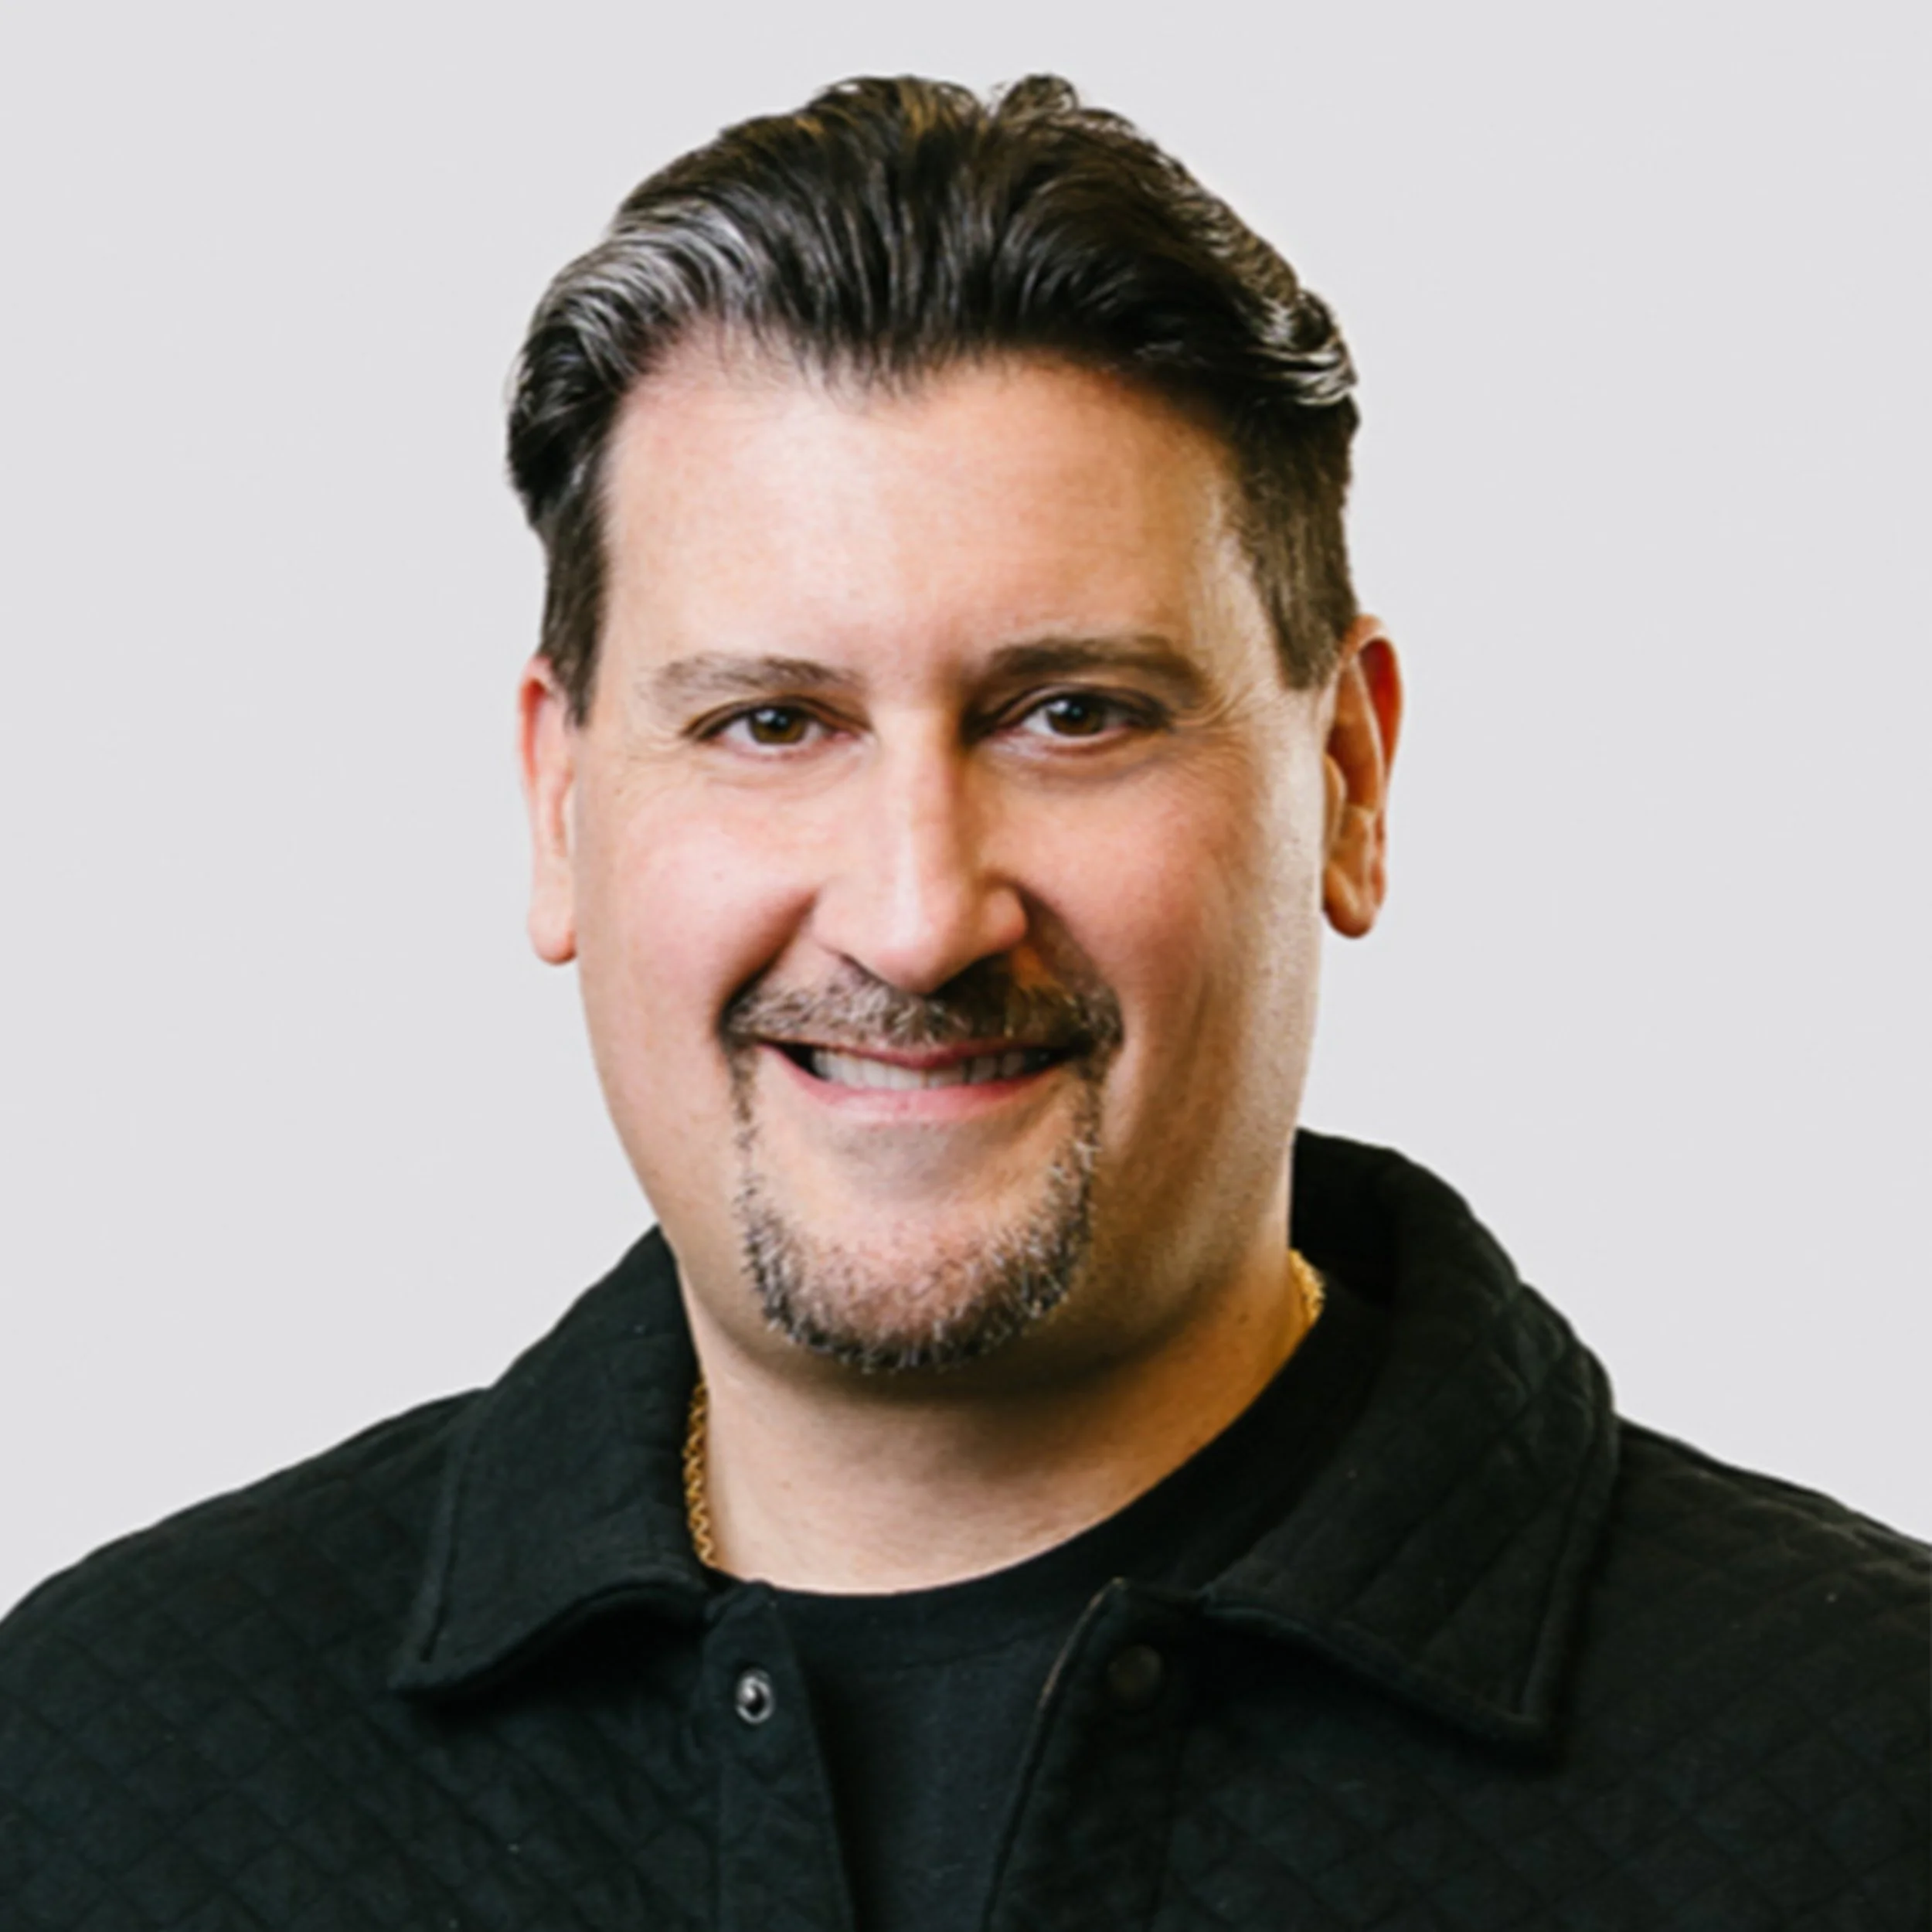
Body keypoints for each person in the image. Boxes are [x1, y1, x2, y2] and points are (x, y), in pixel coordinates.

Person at [1, 73, 1923, 1932]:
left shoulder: (1867, 1769)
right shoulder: (87, 1767)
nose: (918, 920)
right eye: (771, 720)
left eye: (1069, 713)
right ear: (561, 804)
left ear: (1344, 777)